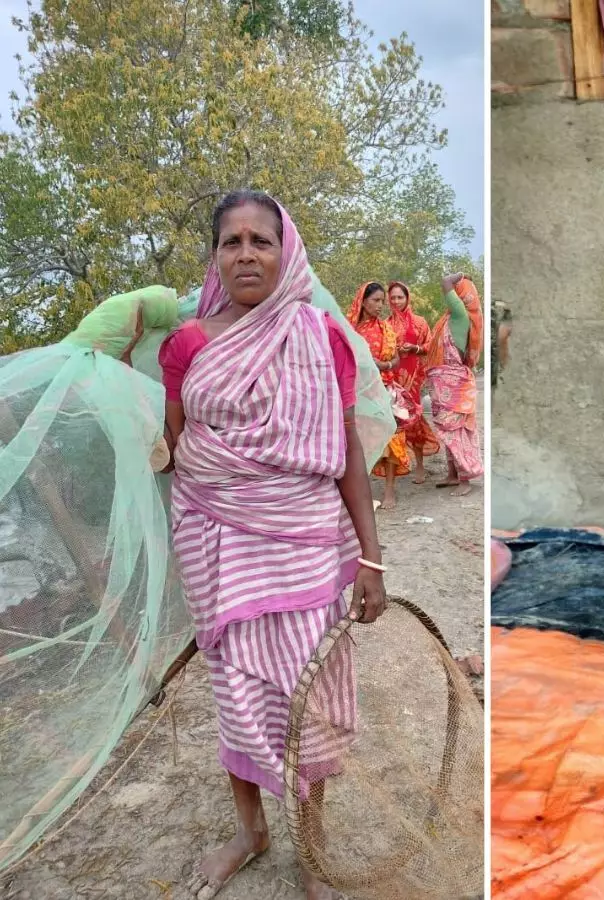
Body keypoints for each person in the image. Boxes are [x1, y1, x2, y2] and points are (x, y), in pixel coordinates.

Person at [158, 190, 386, 900]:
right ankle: (251, 831)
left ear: (287, 253)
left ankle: (310, 849)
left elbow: (343, 445)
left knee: (307, 694)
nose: (248, 253)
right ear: (215, 257)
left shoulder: (320, 336)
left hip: (305, 542)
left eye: (262, 240)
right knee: (237, 690)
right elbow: (174, 447)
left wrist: (370, 558)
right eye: (233, 242)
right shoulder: (189, 344)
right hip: (217, 544)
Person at [347, 281, 409, 509]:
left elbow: (396, 360)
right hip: (358, 394)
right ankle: (364, 494)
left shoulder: (386, 330)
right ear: (363, 301)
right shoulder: (349, 330)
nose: (381, 305)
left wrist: (382, 365)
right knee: (360, 443)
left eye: (383, 301)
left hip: (384, 391)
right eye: (376, 300)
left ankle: (390, 491)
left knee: (390, 439)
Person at [426, 273, 482, 498]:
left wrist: (459, 276)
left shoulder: (460, 315)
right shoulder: (452, 318)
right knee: (446, 431)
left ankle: (465, 479)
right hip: (443, 383)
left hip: (453, 383)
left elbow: (445, 281)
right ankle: (452, 475)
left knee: (455, 432)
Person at [385, 281, 441, 484]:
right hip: (393, 377)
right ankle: (397, 463)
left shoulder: (419, 322)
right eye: (393, 298)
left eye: (400, 297)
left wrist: (414, 349)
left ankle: (420, 465)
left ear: (407, 298)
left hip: (413, 377)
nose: (396, 301)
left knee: (414, 418)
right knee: (395, 420)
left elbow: (430, 345)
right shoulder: (386, 324)